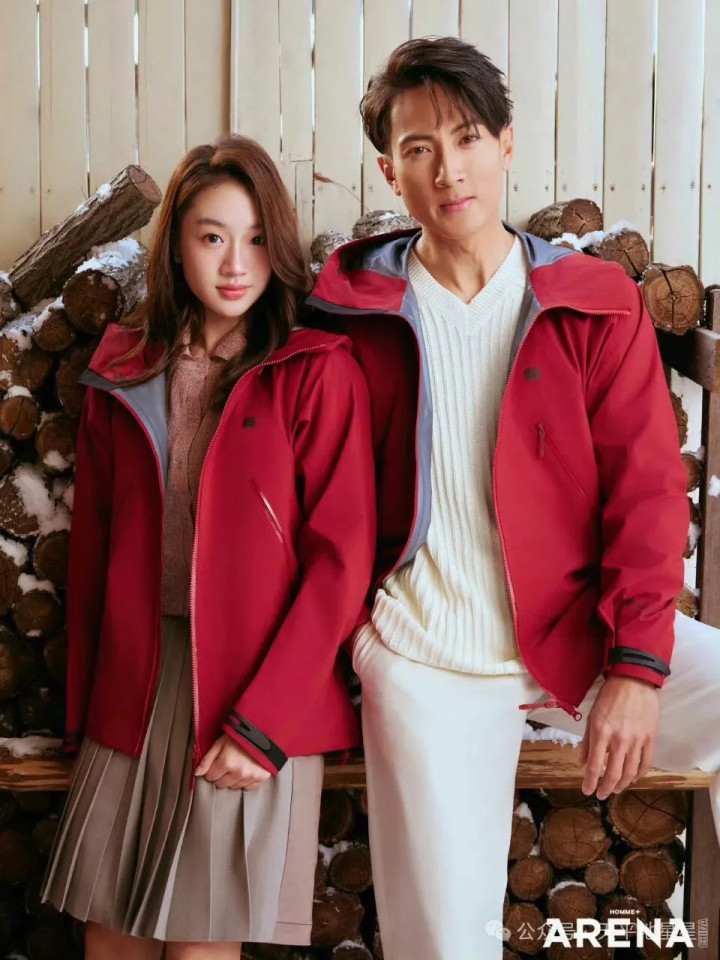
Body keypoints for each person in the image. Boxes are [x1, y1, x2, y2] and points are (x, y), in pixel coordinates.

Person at [308, 36, 720, 960]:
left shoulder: (592, 301)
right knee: (445, 944)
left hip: (575, 630)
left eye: (466, 138)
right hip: (425, 657)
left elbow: (650, 491)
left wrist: (636, 669)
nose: (448, 169)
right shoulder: (350, 316)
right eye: (419, 148)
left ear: (505, 143)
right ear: (391, 171)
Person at [41, 134, 375, 960]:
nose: (235, 264)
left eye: (256, 238)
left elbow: (340, 565)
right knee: (108, 937)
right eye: (212, 236)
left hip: (250, 691)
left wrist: (267, 722)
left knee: (202, 947)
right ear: (177, 246)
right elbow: (93, 555)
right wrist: (85, 715)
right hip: (135, 684)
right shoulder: (122, 370)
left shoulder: (315, 372)